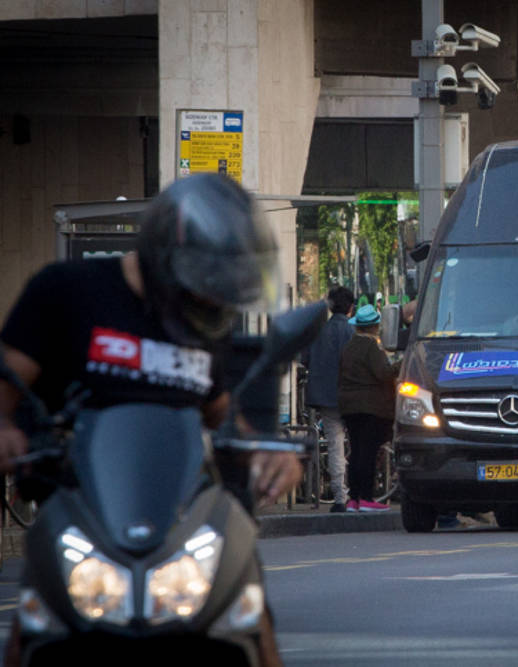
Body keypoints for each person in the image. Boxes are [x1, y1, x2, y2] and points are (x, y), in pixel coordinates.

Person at [0, 173, 299, 667]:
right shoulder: (66, 292)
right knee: (38, 619)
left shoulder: (198, 324)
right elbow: (7, 386)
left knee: (247, 602)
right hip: (81, 507)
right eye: (203, 289)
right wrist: (7, 429)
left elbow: (220, 410)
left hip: (177, 519)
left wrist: (269, 450)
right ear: (164, 258)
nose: (210, 302)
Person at [339, 303, 400, 512]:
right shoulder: (371, 346)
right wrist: (401, 364)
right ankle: (366, 498)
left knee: (356, 452)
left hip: (349, 408)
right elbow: (383, 373)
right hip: (371, 408)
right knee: (368, 453)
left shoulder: (349, 346)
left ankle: (353, 499)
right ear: (375, 326)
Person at [301, 286, 355, 513]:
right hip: (352, 397)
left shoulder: (318, 332)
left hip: (326, 398)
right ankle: (360, 495)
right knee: (358, 445)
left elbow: (305, 359)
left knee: (334, 445)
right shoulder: (353, 334)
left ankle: (339, 497)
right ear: (351, 308)